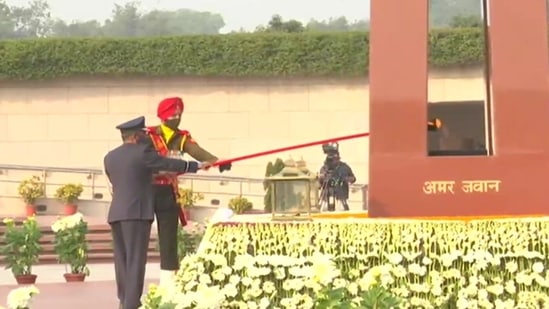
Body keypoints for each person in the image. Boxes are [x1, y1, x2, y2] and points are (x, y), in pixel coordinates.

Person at [103, 116, 209, 309]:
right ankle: (131, 304)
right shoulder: (142, 152)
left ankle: (124, 299)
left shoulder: (110, 157)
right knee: (136, 259)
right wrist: (196, 166)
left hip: (117, 213)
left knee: (122, 260)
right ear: (136, 136)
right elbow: (166, 163)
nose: (146, 137)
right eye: (143, 134)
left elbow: (122, 178)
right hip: (137, 213)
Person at [144, 96, 232, 286]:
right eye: (173, 114)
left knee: (168, 236)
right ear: (163, 116)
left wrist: (217, 161)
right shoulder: (148, 135)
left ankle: (168, 280)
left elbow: (197, 152)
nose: (176, 117)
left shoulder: (181, 137)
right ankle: (134, 278)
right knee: (140, 235)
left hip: (167, 190)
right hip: (146, 190)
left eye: (179, 114)